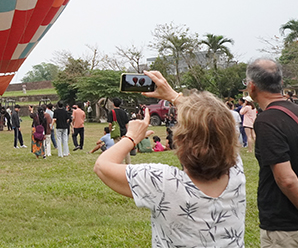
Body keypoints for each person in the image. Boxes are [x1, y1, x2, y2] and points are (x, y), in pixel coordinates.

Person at [95, 70, 245, 247]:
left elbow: (102, 165)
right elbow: (217, 127)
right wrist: (173, 95)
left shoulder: (164, 182)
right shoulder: (236, 171)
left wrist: (132, 138)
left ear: (180, 140)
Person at [247, 59, 298, 246]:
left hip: (287, 229)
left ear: (252, 87)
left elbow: (286, 179)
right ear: (280, 83)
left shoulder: (267, 121)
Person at [107, 98, 131, 164]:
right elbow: (126, 124)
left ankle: (120, 163)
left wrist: (110, 130)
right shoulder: (124, 112)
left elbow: (110, 124)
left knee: (118, 148)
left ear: (113, 104)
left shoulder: (112, 112)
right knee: (125, 148)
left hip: (117, 132)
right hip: (124, 132)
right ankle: (128, 162)